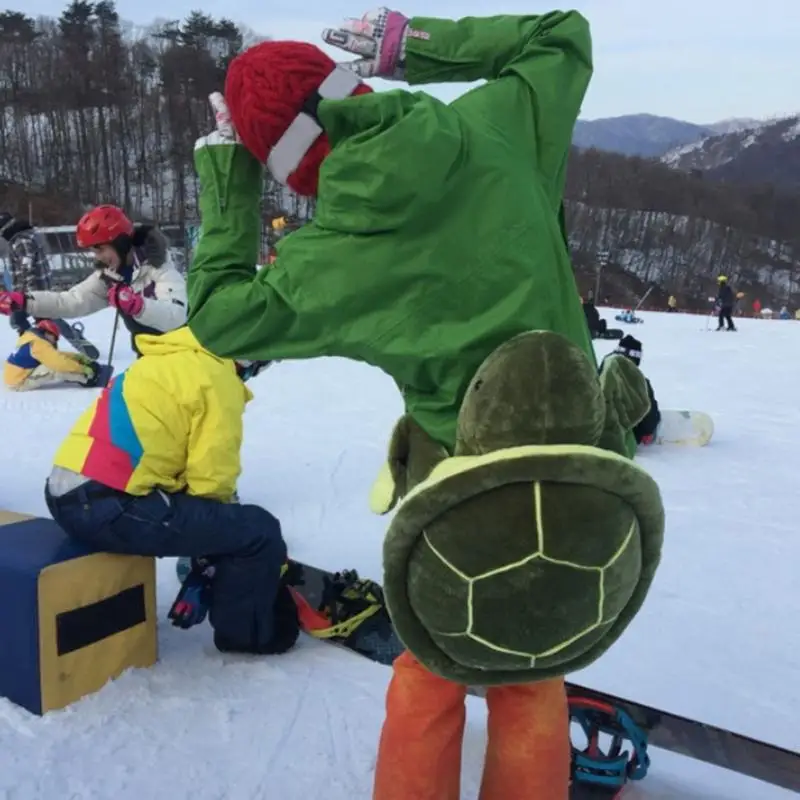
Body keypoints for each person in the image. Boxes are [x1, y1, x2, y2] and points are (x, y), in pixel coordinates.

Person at [183, 10, 663, 799]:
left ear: (285, 166)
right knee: (532, 677)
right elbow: (562, 35)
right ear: (352, 86)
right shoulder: (499, 125)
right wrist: (422, 47)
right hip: (595, 497)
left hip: (462, 521)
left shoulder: (335, 257)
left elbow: (222, 315)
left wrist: (228, 187)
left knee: (430, 672)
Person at [44, 325, 297, 655]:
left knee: (214, 516)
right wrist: (225, 531)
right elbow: (212, 482)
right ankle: (246, 635)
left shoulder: (161, 359)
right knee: (259, 531)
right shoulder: (217, 379)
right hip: (111, 508)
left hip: (65, 497)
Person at [0, 206, 187, 355]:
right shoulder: (109, 278)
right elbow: (69, 301)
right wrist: (24, 301)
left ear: (120, 243)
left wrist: (138, 306)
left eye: (100, 250)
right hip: (147, 357)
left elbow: (177, 316)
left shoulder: (160, 269)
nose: (97, 258)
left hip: (181, 355)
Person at [4, 316, 103, 391]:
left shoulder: (31, 336)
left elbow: (54, 355)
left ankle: (79, 372)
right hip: (18, 382)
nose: (55, 341)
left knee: (55, 362)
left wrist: (77, 357)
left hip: (17, 373)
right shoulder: (39, 343)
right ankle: (86, 380)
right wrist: (83, 369)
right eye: (55, 338)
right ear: (48, 333)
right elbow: (59, 363)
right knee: (54, 369)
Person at [607, 335, 660, 445]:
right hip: (623, 439)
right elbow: (649, 416)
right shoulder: (640, 382)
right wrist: (647, 431)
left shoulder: (601, 371)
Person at [0, 212, 53, 292]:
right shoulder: (25, 237)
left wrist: (25, 297)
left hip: (35, 296)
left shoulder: (21, 242)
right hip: (41, 293)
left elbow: (27, 271)